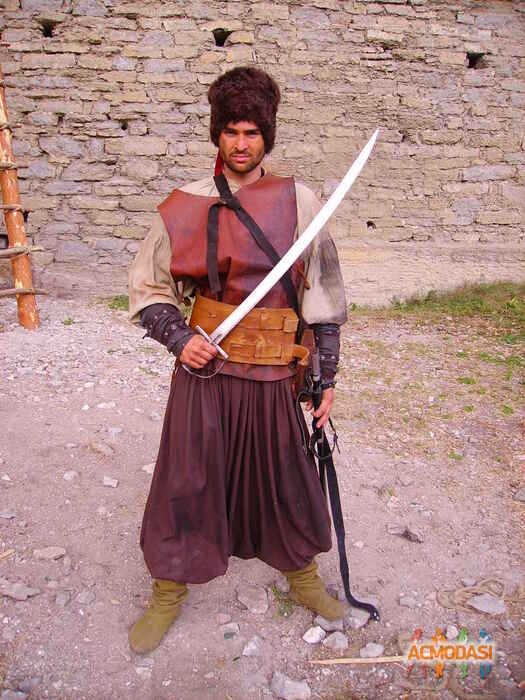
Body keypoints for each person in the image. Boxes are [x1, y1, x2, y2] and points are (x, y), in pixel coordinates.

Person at [127, 66, 348, 655]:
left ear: (266, 136)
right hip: (206, 368)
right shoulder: (183, 205)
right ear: (217, 135)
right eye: (231, 131)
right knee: (187, 478)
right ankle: (168, 590)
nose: (242, 143)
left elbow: (323, 292)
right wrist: (178, 337)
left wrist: (323, 374)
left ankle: (303, 577)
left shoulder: (300, 202)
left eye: (252, 132)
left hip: (274, 369)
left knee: (287, 476)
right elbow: (148, 287)